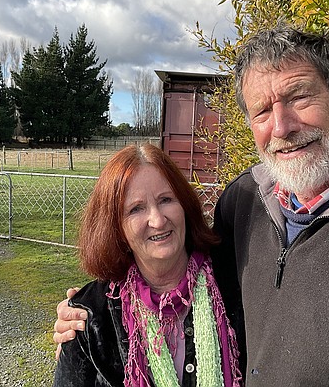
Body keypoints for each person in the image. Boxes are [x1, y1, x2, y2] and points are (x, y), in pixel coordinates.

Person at [55, 25, 329, 385]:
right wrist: (85, 313)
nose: (282, 127)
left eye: (298, 97)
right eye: (261, 111)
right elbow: (175, 270)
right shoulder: (244, 203)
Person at [53, 143, 243, 386]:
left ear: (184, 205)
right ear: (116, 228)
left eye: (166, 200)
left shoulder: (234, 285)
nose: (157, 220)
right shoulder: (89, 316)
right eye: (136, 209)